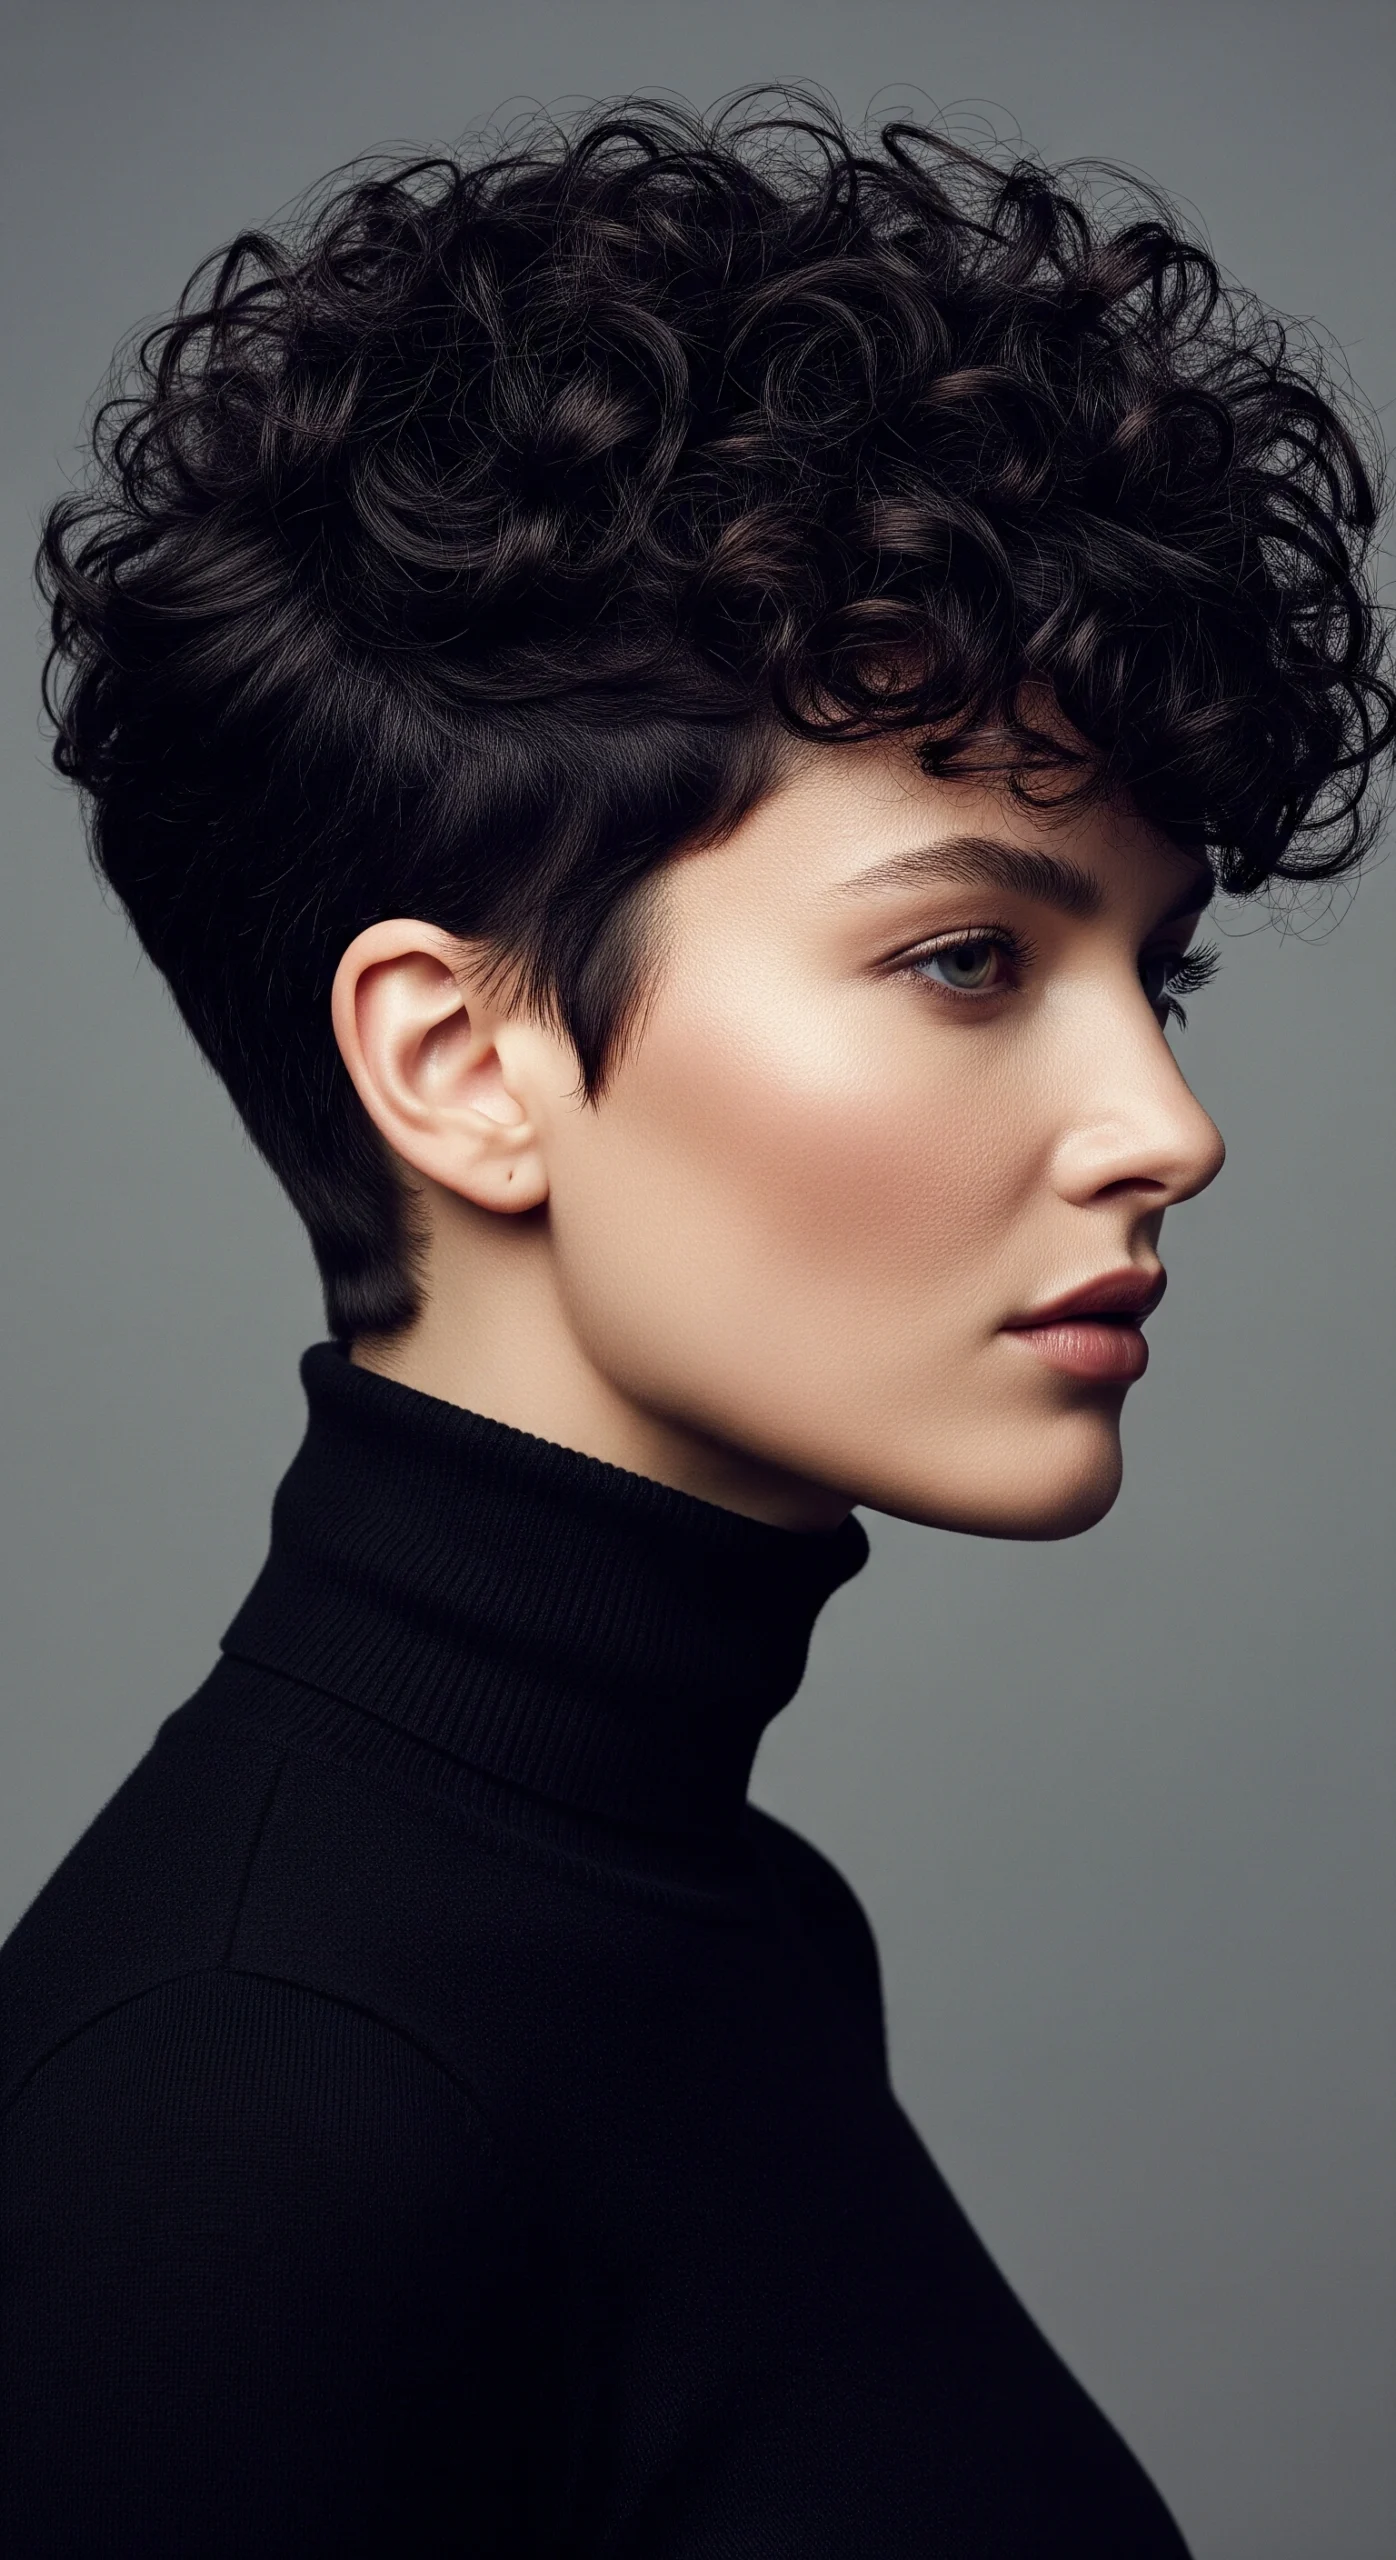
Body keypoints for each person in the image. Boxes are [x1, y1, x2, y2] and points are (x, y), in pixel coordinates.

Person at [2, 92, 1391, 2557]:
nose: (1162, 1122)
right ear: (461, 1059)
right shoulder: (230, 2111)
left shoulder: (722, 1916)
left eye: (1145, 968)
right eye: (969, 956)